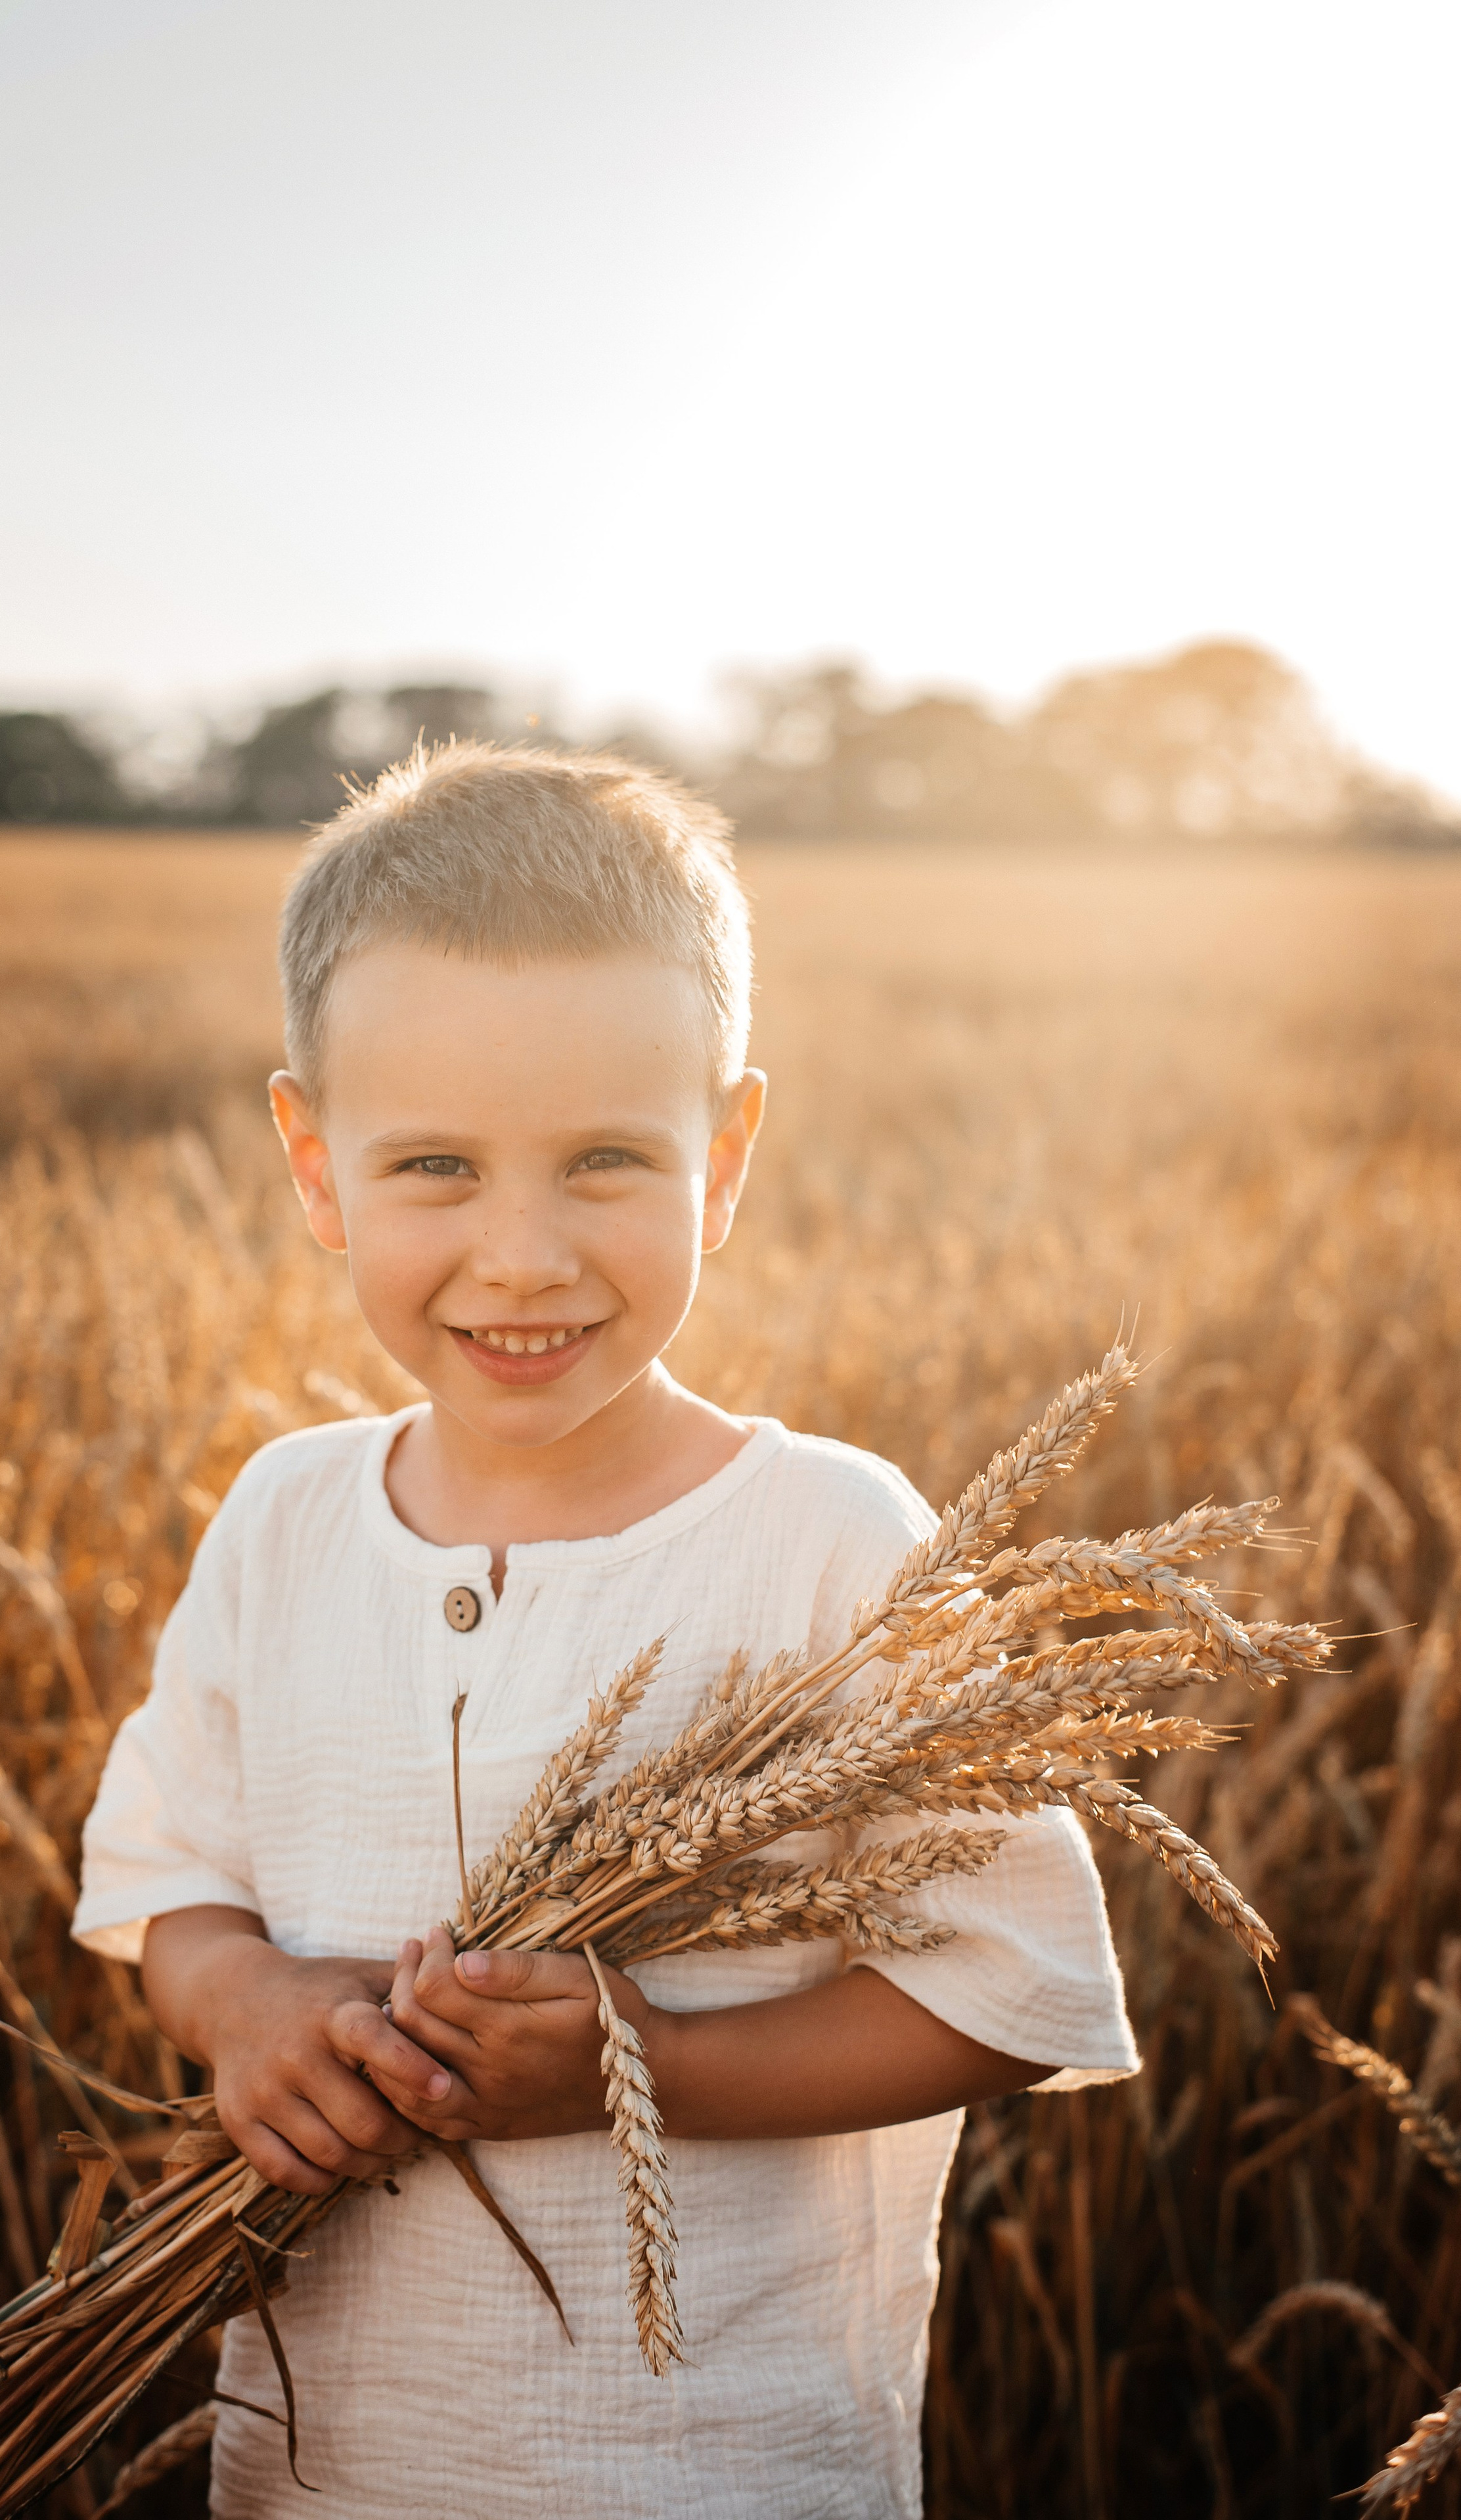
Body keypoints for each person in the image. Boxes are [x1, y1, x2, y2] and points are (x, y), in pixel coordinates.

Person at [74, 744, 1136, 2518]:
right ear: (311, 1160)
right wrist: (245, 1999)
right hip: (321, 2472)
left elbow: (1015, 1985)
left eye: (605, 1161)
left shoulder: (827, 1538)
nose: (522, 1254)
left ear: (725, 1156)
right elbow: (167, 1875)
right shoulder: (283, 1518)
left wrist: (636, 2064)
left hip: (717, 2472)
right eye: (433, 1166)